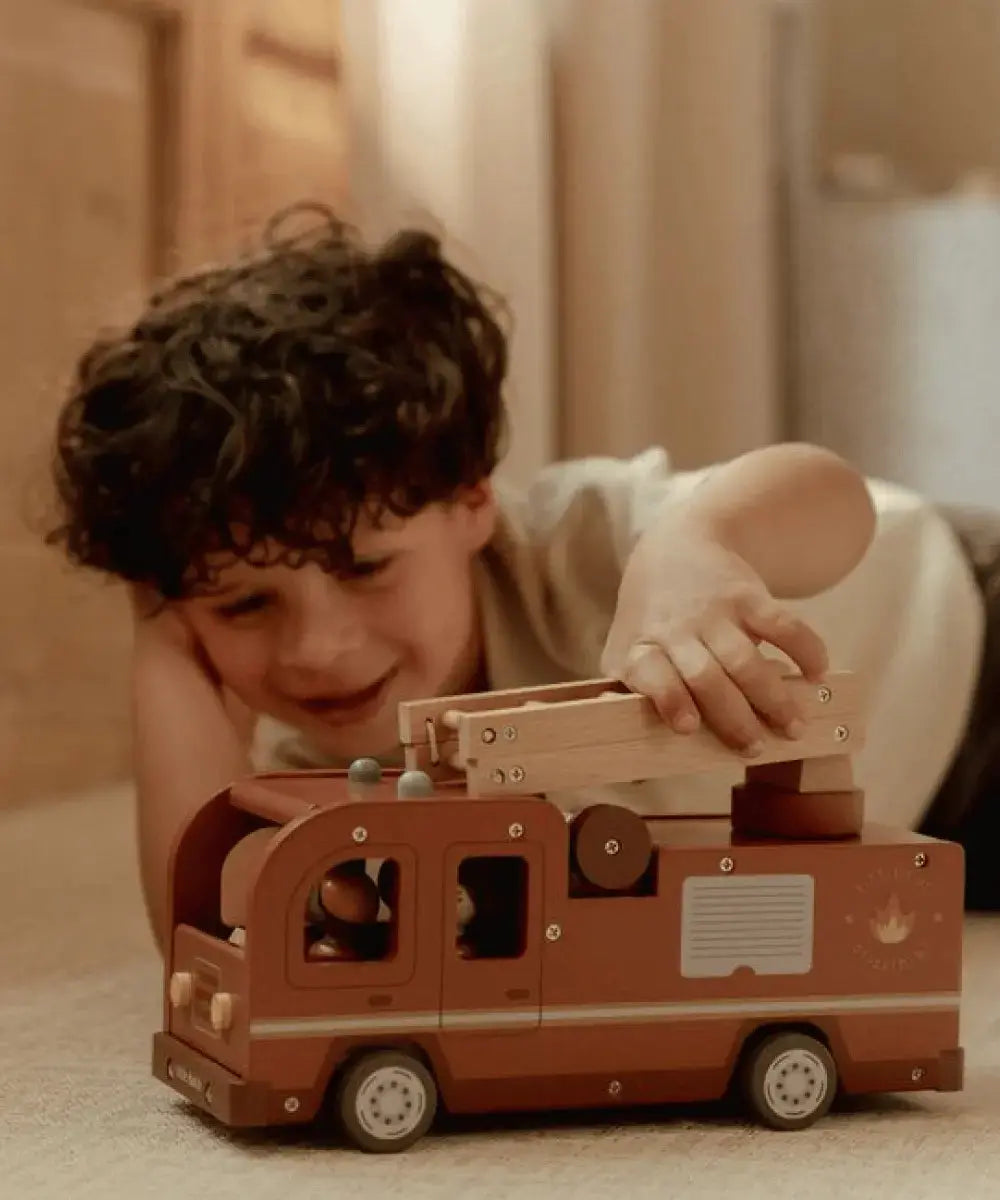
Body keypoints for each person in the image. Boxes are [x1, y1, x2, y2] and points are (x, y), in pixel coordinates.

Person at [42, 204, 994, 950]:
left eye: (367, 569)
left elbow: (837, 501)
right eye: (242, 603)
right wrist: (165, 651)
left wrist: (697, 543)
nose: (319, 648)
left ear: (469, 501)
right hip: (919, 826)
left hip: (967, 642)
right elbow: (229, 929)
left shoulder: (591, 545)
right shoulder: (328, 780)